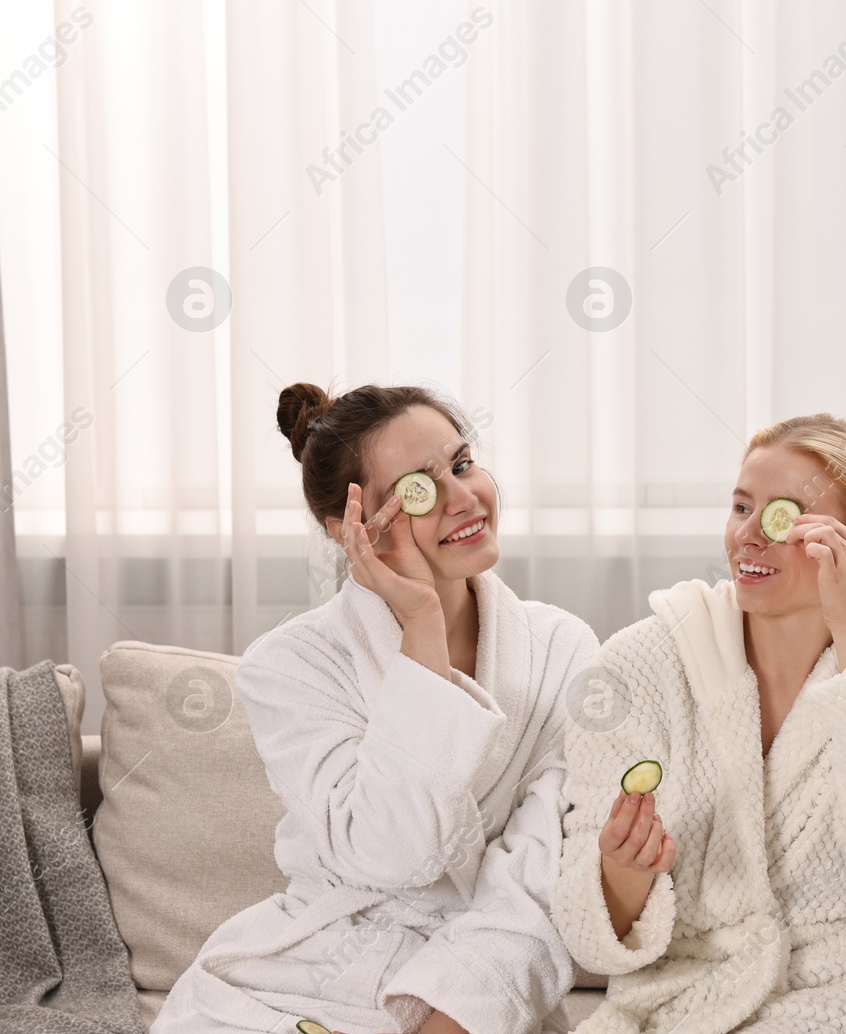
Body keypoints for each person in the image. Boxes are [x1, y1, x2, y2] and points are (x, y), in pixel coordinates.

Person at [153, 383, 597, 1034]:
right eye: (419, 487)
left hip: (475, 987)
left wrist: (454, 1015)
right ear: (348, 530)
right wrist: (422, 623)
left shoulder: (560, 648)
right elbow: (392, 854)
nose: (463, 497)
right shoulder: (289, 664)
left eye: (462, 463)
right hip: (306, 973)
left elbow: (542, 878)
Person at [552, 412, 846, 1033]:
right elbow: (588, 934)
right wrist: (623, 871)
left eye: (783, 516)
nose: (749, 536)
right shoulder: (637, 670)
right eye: (741, 507)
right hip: (677, 997)